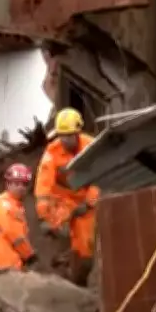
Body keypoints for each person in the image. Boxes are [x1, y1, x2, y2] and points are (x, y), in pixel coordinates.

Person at [34, 108, 100, 285]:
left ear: (77, 132)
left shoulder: (92, 147)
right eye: (62, 135)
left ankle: (79, 277)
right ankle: (60, 256)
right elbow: (43, 184)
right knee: (56, 229)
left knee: (86, 248)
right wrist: (43, 216)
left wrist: (88, 203)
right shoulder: (52, 152)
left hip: (85, 200)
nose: (64, 139)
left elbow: (99, 177)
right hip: (61, 199)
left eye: (69, 135)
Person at [0, 163, 38, 271]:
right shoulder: (3, 203)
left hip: (10, 256)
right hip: (3, 257)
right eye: (17, 183)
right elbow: (13, 232)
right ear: (8, 184)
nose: (21, 187)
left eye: (24, 184)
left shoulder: (16, 205)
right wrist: (29, 255)